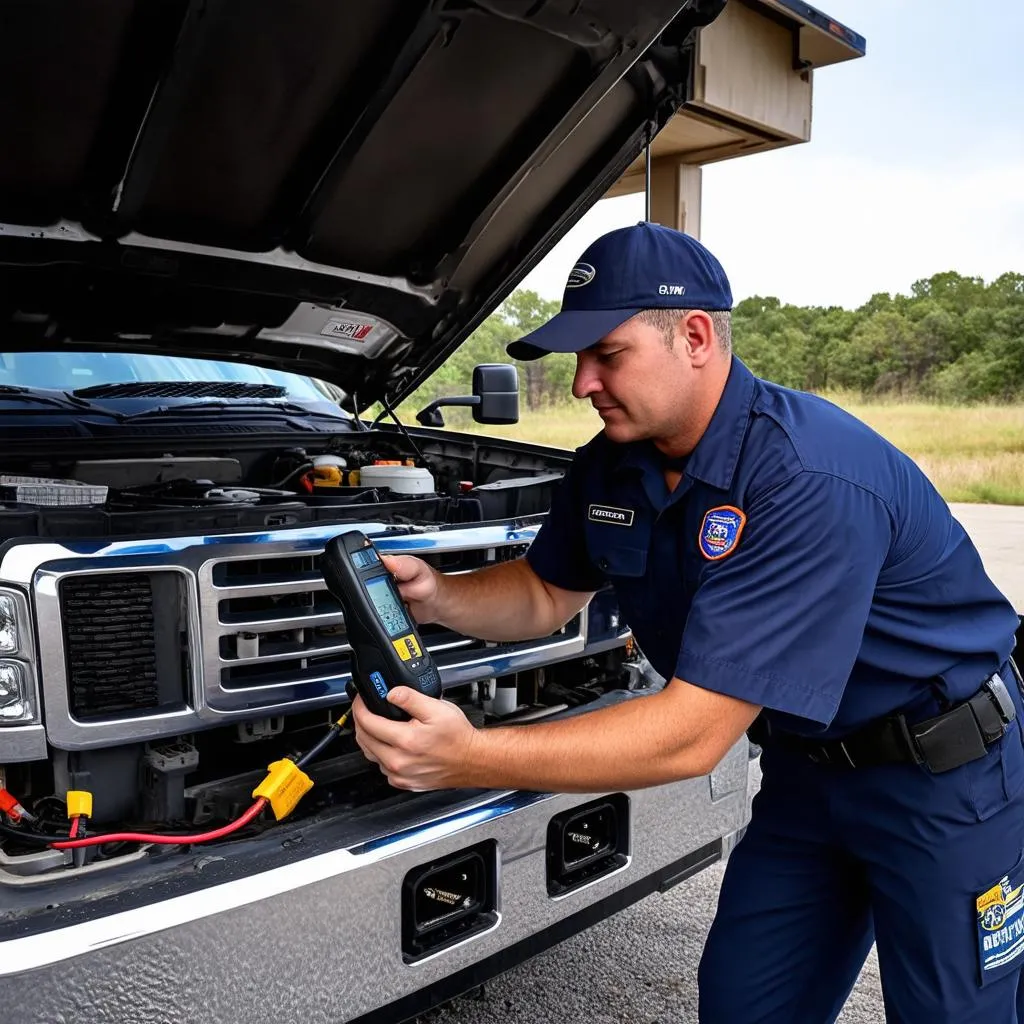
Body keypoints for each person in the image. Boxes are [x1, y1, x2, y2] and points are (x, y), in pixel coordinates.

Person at [350, 221, 1024, 1022]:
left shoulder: (804, 476)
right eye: (577, 360)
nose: (581, 385)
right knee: (744, 1005)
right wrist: (436, 593)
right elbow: (543, 591)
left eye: (607, 354)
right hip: (808, 773)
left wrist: (469, 756)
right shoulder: (613, 461)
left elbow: (692, 734)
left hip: (942, 777)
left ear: (696, 337)